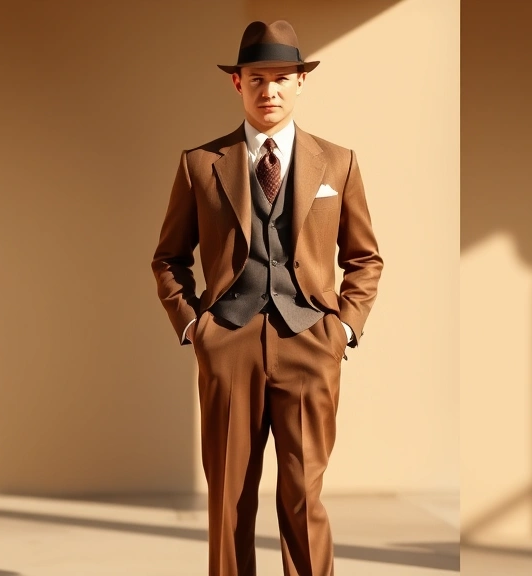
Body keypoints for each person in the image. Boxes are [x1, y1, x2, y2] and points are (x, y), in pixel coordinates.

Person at [151, 20, 382, 576]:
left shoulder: (338, 161)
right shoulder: (199, 164)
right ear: (238, 83)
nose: (269, 90)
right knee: (229, 496)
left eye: (282, 78)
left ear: (301, 81)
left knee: (304, 496)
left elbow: (365, 258)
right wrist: (193, 326)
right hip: (228, 342)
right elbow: (168, 258)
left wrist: (342, 327)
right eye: (257, 78)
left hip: (310, 341)